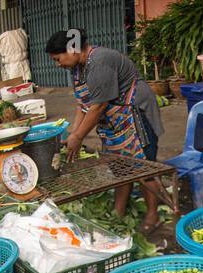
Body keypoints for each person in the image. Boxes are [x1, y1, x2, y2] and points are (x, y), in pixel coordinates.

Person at [47, 29, 171, 232]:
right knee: (119, 167)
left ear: (73, 50)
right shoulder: (77, 69)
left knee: (144, 168)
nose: (57, 64)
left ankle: (153, 215)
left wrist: (79, 136)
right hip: (115, 123)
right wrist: (73, 134)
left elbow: (98, 106)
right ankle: (118, 213)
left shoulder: (100, 62)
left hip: (136, 114)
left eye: (58, 59)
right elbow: (83, 105)